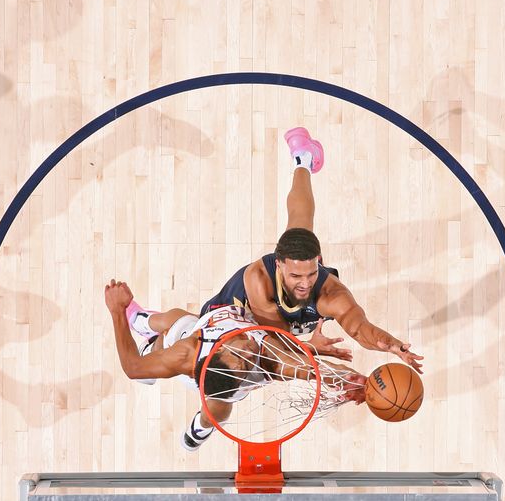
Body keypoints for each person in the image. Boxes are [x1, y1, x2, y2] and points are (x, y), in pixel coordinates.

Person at [127, 127, 424, 374]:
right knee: (191, 331)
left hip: (279, 325)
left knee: (301, 224)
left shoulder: (330, 291)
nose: (305, 282)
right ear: (279, 264)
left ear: (318, 262)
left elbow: (360, 329)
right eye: (297, 275)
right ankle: (144, 322)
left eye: (311, 272)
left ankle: (303, 158)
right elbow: (274, 343)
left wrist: (390, 344)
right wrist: (310, 350)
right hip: (240, 316)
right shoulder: (259, 279)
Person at [104, 279, 366, 451]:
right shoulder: (261, 360)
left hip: (204, 363)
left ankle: (199, 426)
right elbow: (133, 368)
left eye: (242, 357)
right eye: (245, 361)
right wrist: (358, 382)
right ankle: (142, 327)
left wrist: (117, 308)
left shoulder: (198, 351)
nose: (250, 352)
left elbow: (132, 367)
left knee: (180, 324)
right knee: (177, 324)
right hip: (206, 366)